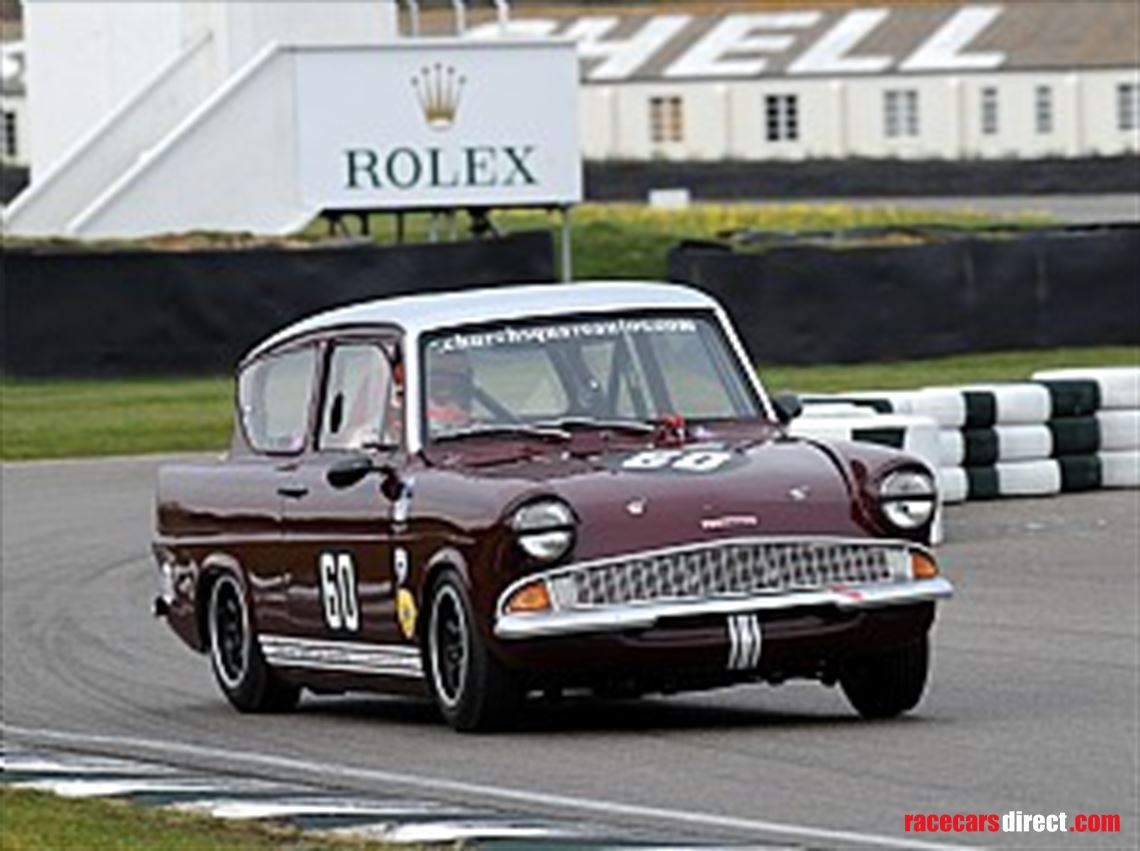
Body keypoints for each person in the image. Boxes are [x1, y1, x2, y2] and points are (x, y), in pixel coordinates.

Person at [427, 348, 475, 434]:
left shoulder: (458, 411)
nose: (449, 381)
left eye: (460, 377)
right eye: (440, 374)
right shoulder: (412, 411)